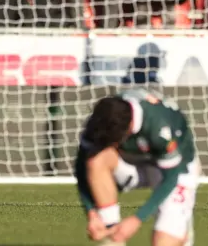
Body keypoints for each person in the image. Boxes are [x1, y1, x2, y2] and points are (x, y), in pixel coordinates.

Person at [75, 88, 199, 245]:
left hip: (176, 169)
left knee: (163, 241)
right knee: (96, 158)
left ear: (128, 129)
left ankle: (181, 231)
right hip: (133, 164)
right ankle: (112, 234)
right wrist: (92, 212)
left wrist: (137, 219)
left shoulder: (159, 127)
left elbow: (171, 177)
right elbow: (81, 165)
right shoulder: (100, 121)